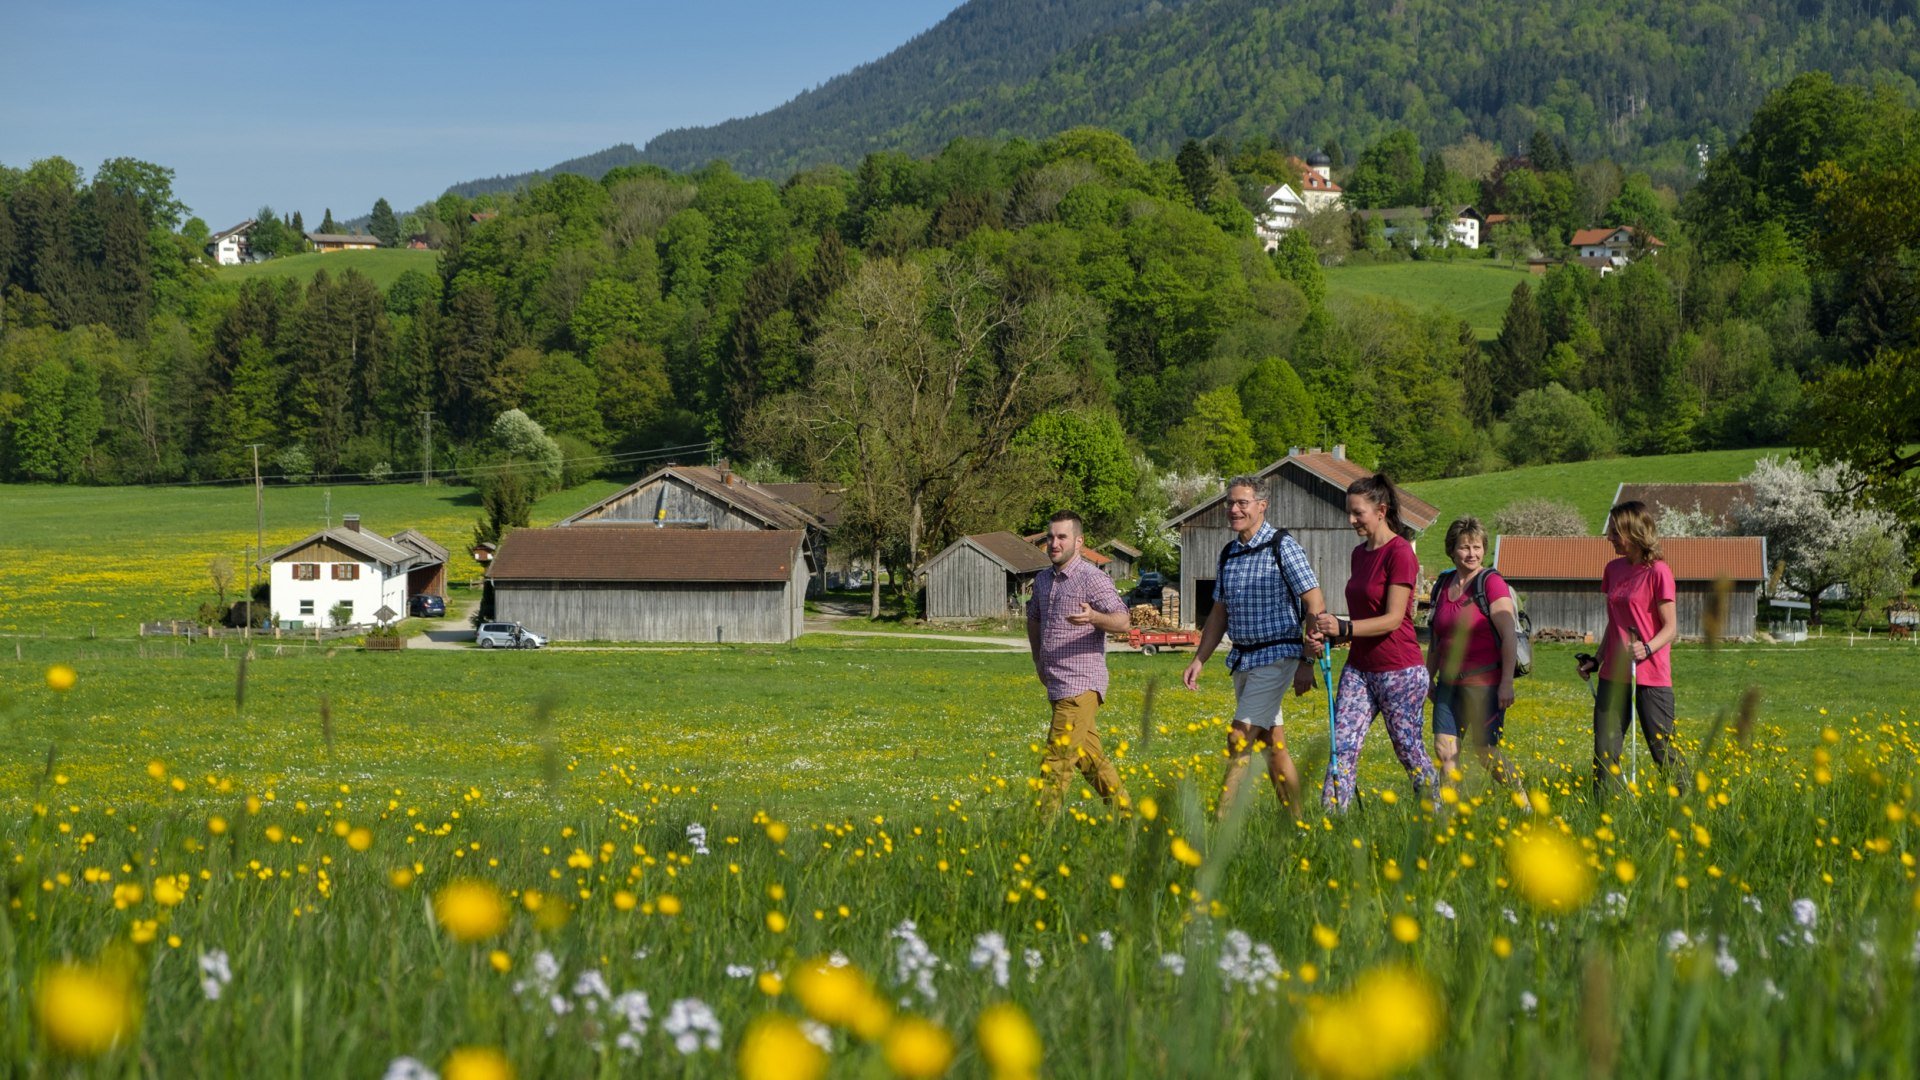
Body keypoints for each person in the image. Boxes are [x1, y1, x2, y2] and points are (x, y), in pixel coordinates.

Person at [1181, 476, 1325, 815]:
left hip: (1278, 655)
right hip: (1243, 659)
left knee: (1239, 736)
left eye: (1242, 503)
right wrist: (1200, 658)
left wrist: (1308, 660)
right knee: (1272, 748)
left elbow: (1314, 600)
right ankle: (1297, 820)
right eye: (1230, 503)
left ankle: (1221, 819)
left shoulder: (1282, 545)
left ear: (1262, 505)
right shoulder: (1229, 553)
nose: (1234, 509)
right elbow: (1220, 610)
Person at [1311, 473, 1438, 810]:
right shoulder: (1359, 554)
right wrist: (1329, 630)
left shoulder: (1400, 553)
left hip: (1400, 670)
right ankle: (1331, 819)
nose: (1351, 520)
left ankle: (1437, 812)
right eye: (1349, 513)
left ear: (1381, 511)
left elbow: (1394, 619)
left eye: (1358, 513)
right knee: (1342, 745)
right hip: (1359, 668)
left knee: (1408, 749)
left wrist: (1345, 628)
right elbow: (1360, 614)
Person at [1026, 509, 1133, 814]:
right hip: (1057, 682)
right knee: (1090, 762)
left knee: (1056, 762)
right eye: (1051, 537)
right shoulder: (1044, 579)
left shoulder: (1092, 578)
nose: (1054, 543)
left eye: (1062, 537)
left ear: (1079, 541)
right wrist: (1038, 660)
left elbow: (1123, 621)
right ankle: (1129, 819)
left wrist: (1095, 617)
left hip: (1080, 683)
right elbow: (1033, 618)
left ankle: (1039, 835)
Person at [1579, 500, 1687, 796]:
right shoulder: (1612, 569)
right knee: (1604, 752)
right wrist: (1596, 660)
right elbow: (1614, 623)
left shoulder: (1658, 572)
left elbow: (1671, 629)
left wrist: (1647, 648)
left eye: (1615, 532)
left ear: (1634, 532)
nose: (1609, 539)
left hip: (1650, 674)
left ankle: (1688, 807)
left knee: (1663, 750)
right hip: (1613, 674)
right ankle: (1605, 813)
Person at [1425, 517, 1519, 785]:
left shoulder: (1490, 583)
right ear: (1452, 550)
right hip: (1448, 685)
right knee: (1445, 751)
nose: (1472, 553)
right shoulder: (1442, 585)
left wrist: (1506, 683)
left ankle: (1524, 804)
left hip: (1485, 684)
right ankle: (1451, 818)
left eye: (1477, 547)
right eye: (1465, 547)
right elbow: (1436, 638)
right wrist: (1427, 678)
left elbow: (1509, 635)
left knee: (1486, 754)